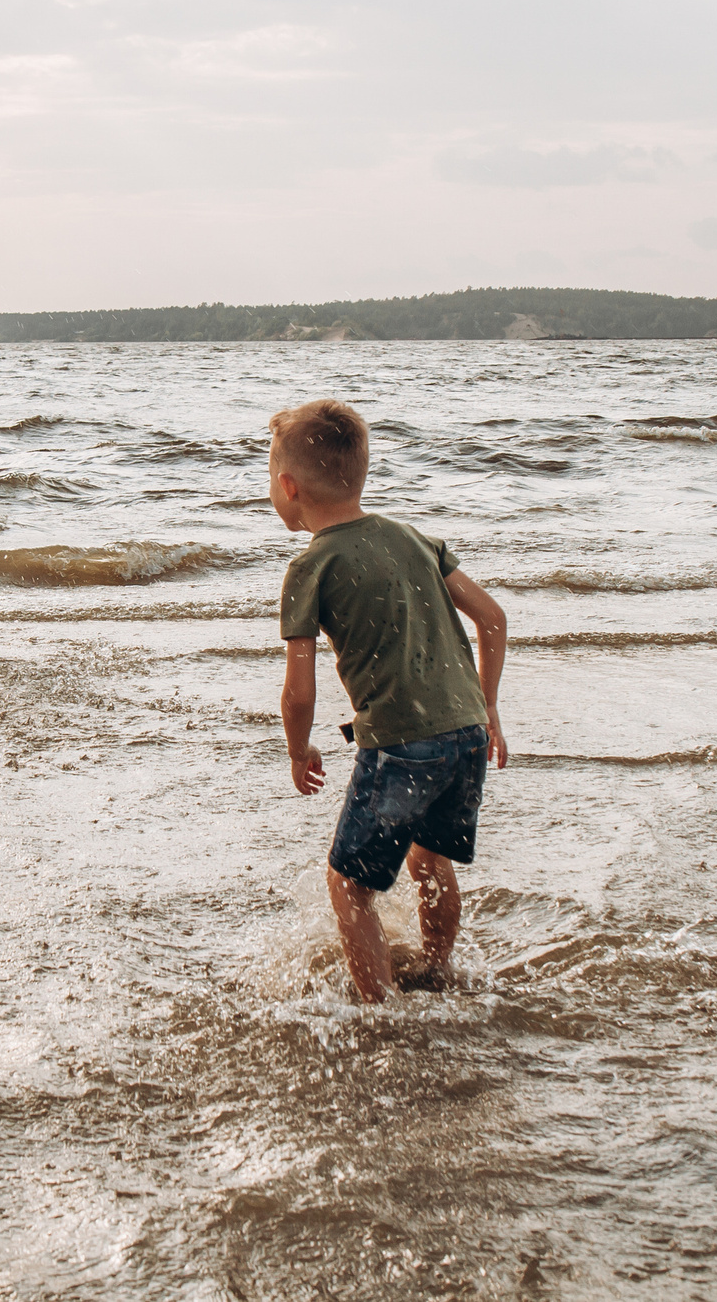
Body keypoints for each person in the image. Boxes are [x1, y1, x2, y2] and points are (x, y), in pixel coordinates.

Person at [268, 398, 509, 1002]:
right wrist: (490, 708)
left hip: (402, 744)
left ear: (289, 487)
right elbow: (494, 619)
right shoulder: (414, 538)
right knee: (429, 860)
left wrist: (299, 751)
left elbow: (299, 691)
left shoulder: (311, 567)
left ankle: (379, 1010)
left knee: (349, 885)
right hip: (467, 732)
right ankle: (437, 968)